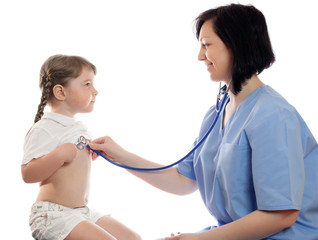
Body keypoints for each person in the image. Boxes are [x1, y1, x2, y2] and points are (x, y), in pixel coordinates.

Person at [88, 4, 318, 240]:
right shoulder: (217, 113)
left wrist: (198, 239)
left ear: (236, 45)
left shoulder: (273, 115)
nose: (200, 56)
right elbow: (184, 181)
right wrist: (119, 155)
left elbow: (281, 215)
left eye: (206, 45)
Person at [21, 54, 141, 240]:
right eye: (87, 84)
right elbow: (28, 174)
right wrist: (59, 155)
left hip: (80, 211)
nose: (95, 91)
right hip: (53, 215)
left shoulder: (78, 126)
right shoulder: (45, 127)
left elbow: (72, 164)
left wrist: (89, 155)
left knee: (133, 238)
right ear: (61, 92)